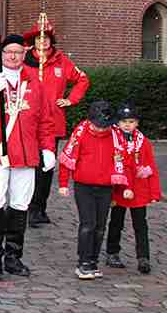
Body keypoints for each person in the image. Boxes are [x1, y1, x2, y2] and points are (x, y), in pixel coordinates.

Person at [0, 34, 56, 280]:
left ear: (24, 54)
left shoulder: (35, 82)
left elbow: (45, 120)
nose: (13, 56)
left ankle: (13, 257)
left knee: (20, 205)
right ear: (1, 55)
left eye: (17, 52)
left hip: (26, 154)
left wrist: (48, 148)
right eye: (8, 52)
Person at [24, 20, 91, 228]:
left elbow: (82, 79)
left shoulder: (62, 61)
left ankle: (39, 208)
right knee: (29, 165)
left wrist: (71, 100)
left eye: (46, 38)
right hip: (28, 121)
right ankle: (25, 206)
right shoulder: (25, 60)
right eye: (38, 38)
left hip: (52, 123)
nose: (42, 41)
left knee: (46, 166)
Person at [58, 100, 134, 280]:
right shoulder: (80, 133)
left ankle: (93, 261)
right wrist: (63, 183)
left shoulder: (116, 136)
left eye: (104, 126)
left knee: (100, 226)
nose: (101, 129)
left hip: (106, 186)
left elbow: (124, 162)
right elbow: (67, 158)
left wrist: (126, 186)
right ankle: (83, 262)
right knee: (88, 224)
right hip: (83, 186)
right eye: (98, 125)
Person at [105, 102, 160, 274]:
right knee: (116, 221)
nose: (127, 125)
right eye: (123, 121)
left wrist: (154, 192)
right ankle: (112, 252)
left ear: (137, 123)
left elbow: (151, 166)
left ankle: (143, 257)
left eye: (131, 121)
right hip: (119, 187)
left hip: (138, 188)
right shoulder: (112, 140)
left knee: (140, 224)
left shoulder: (144, 142)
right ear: (117, 122)